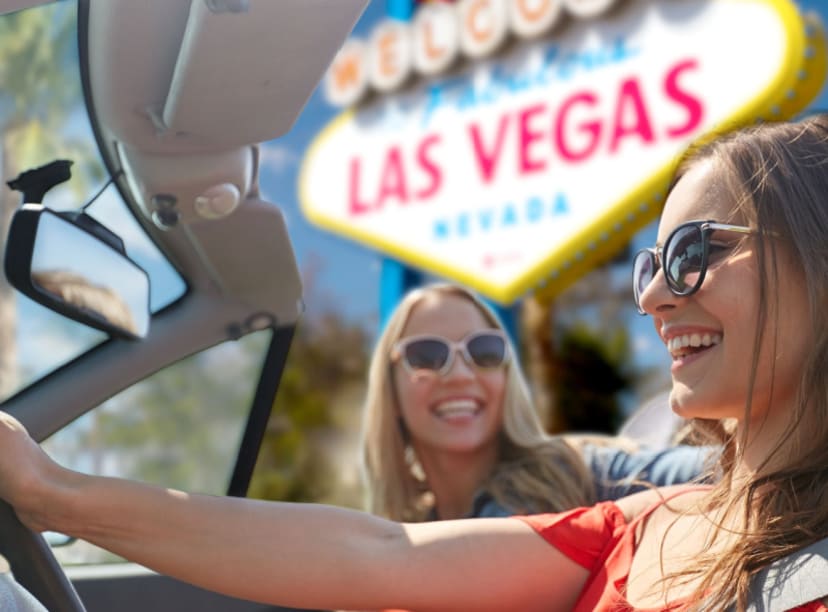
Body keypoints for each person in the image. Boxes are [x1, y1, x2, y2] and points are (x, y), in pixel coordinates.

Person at [2, 114, 828, 610]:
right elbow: (378, 554)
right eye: (649, 264)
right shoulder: (640, 525)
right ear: (388, 391)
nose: (652, 298)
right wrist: (52, 492)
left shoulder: (598, 475)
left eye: (692, 254)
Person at [361, 282, 711, 521]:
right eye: (426, 354)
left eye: (483, 350)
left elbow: (720, 470)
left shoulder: (575, 471)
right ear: (388, 387)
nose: (459, 374)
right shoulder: (393, 541)